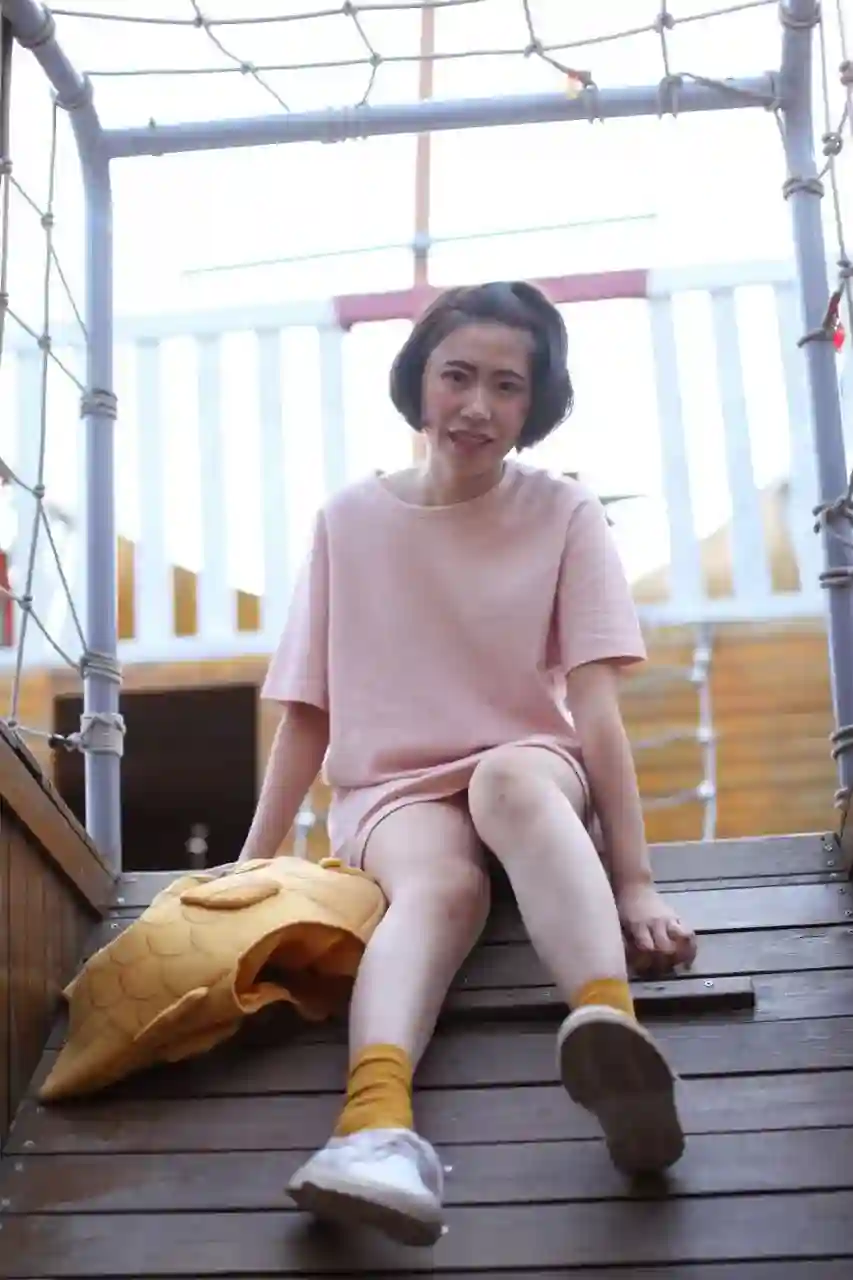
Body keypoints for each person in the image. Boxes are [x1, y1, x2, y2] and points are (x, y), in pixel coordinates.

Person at [235, 280, 698, 1247]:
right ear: (419, 382)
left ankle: (609, 1030)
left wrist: (636, 882)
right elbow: (308, 709)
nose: (477, 406)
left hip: (527, 761)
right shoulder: (346, 521)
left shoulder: (565, 512)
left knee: (508, 780)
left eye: (506, 386)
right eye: (456, 377)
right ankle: (372, 1127)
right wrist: (251, 863)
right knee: (441, 885)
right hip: (391, 788)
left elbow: (595, 710)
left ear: (536, 404)